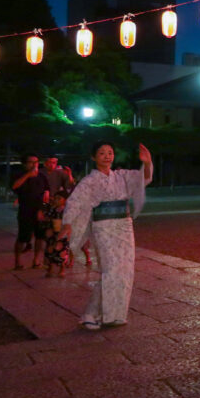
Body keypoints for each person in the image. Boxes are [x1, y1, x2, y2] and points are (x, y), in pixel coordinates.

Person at [61, 141, 153, 330]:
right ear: (94, 157)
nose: (107, 156)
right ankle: (90, 313)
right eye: (102, 153)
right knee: (110, 269)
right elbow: (75, 201)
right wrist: (68, 223)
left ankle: (115, 314)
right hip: (103, 226)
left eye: (110, 152)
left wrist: (147, 162)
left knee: (125, 270)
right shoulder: (89, 181)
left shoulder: (121, 176)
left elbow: (143, 179)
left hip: (124, 225)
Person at [11, 153, 50, 270]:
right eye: (31, 162)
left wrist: (43, 208)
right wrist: (28, 175)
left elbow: (46, 192)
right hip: (25, 211)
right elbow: (14, 187)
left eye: (36, 162)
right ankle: (18, 261)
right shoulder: (19, 175)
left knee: (40, 237)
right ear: (24, 164)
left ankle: (36, 260)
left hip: (40, 211)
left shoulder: (42, 176)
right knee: (23, 237)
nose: (34, 165)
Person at [42, 189, 71, 277]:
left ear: (65, 200)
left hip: (62, 233)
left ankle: (61, 270)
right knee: (50, 250)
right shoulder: (52, 208)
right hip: (52, 232)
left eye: (59, 198)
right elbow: (46, 217)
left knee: (61, 252)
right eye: (56, 198)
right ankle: (50, 269)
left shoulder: (67, 210)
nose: (57, 200)